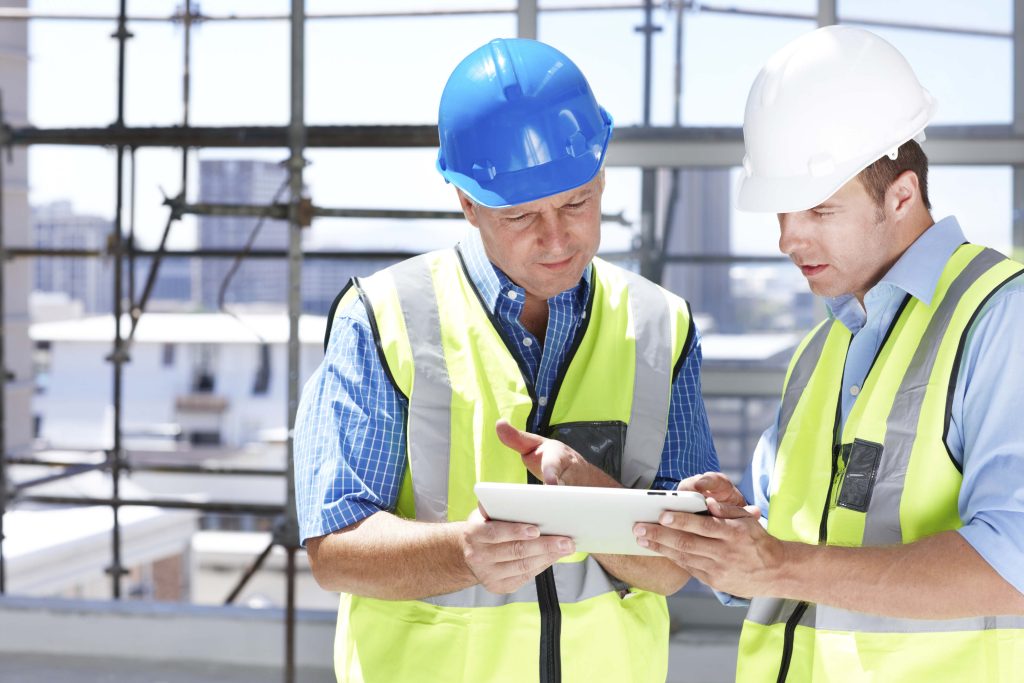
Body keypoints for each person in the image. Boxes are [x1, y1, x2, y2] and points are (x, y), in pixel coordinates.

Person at [293, 38, 719, 683]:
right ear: (468, 204)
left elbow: (670, 570)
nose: (557, 238)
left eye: (577, 202)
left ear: (601, 177)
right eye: (522, 215)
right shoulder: (383, 316)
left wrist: (589, 493)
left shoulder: (662, 325)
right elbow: (337, 552)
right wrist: (463, 553)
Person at [634, 25, 1024, 682]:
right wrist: (734, 532)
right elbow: (781, 546)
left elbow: (1012, 564)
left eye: (818, 209)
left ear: (901, 195)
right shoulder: (820, 350)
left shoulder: (1001, 317)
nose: (788, 238)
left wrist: (776, 562)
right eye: (781, 213)